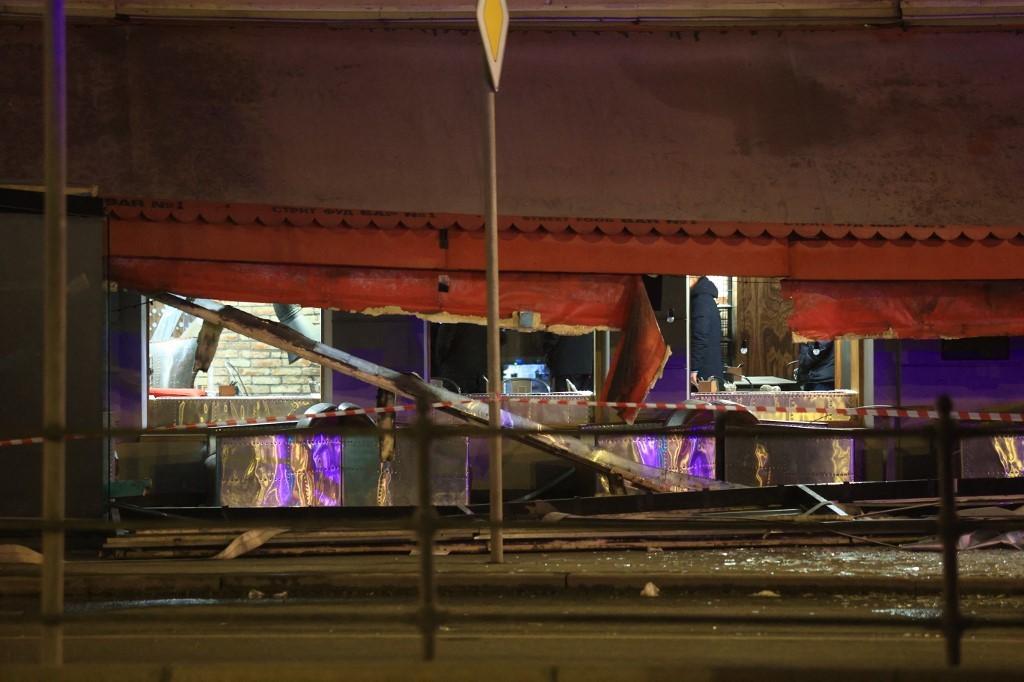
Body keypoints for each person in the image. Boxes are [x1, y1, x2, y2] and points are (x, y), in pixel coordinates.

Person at [689, 276, 724, 389]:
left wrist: (694, 368)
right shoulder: (707, 299)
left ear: (694, 277)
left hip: (702, 373)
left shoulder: (700, 301)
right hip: (710, 369)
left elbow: (700, 335)